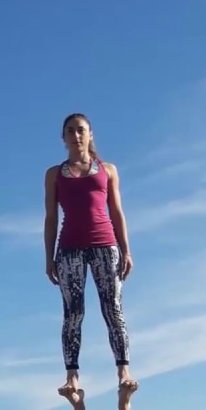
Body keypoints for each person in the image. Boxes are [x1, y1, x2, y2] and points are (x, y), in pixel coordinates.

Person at [43, 112, 136, 395]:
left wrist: (126, 249)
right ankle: (72, 376)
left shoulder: (107, 170)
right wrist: (49, 257)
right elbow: (50, 217)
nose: (76, 135)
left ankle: (123, 370)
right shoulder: (54, 174)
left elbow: (116, 212)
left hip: (105, 246)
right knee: (73, 313)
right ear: (64, 137)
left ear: (90, 134)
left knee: (113, 308)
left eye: (81, 130)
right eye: (70, 131)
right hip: (69, 248)